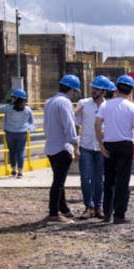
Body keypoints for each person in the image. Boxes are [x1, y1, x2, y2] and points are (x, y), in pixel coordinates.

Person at [95, 75, 134, 224]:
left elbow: (97, 124)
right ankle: (119, 215)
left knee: (109, 180)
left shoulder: (105, 105)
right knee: (123, 181)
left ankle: (106, 213)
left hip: (109, 144)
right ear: (130, 90)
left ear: (117, 88)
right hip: (125, 145)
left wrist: (101, 144)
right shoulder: (132, 107)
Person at [43, 75, 81, 223]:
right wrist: (75, 144)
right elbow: (69, 125)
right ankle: (53, 213)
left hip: (51, 146)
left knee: (59, 180)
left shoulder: (49, 102)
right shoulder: (64, 103)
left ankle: (64, 209)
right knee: (58, 182)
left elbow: (46, 126)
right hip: (62, 148)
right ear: (71, 90)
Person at [74, 76, 109, 219]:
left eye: (97, 89)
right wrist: (75, 146)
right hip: (86, 146)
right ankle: (88, 206)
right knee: (85, 178)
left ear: (104, 91)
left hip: (101, 147)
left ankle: (98, 206)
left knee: (99, 178)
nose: (93, 91)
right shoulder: (83, 103)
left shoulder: (108, 106)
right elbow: (75, 124)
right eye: (93, 88)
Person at [0, 88, 34, 178]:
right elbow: (31, 122)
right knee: (20, 152)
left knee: (12, 151)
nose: (12, 98)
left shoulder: (9, 108)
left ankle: (13, 170)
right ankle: (20, 172)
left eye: (13, 97)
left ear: (17, 99)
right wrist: (30, 129)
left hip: (10, 133)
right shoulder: (28, 109)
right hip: (22, 134)